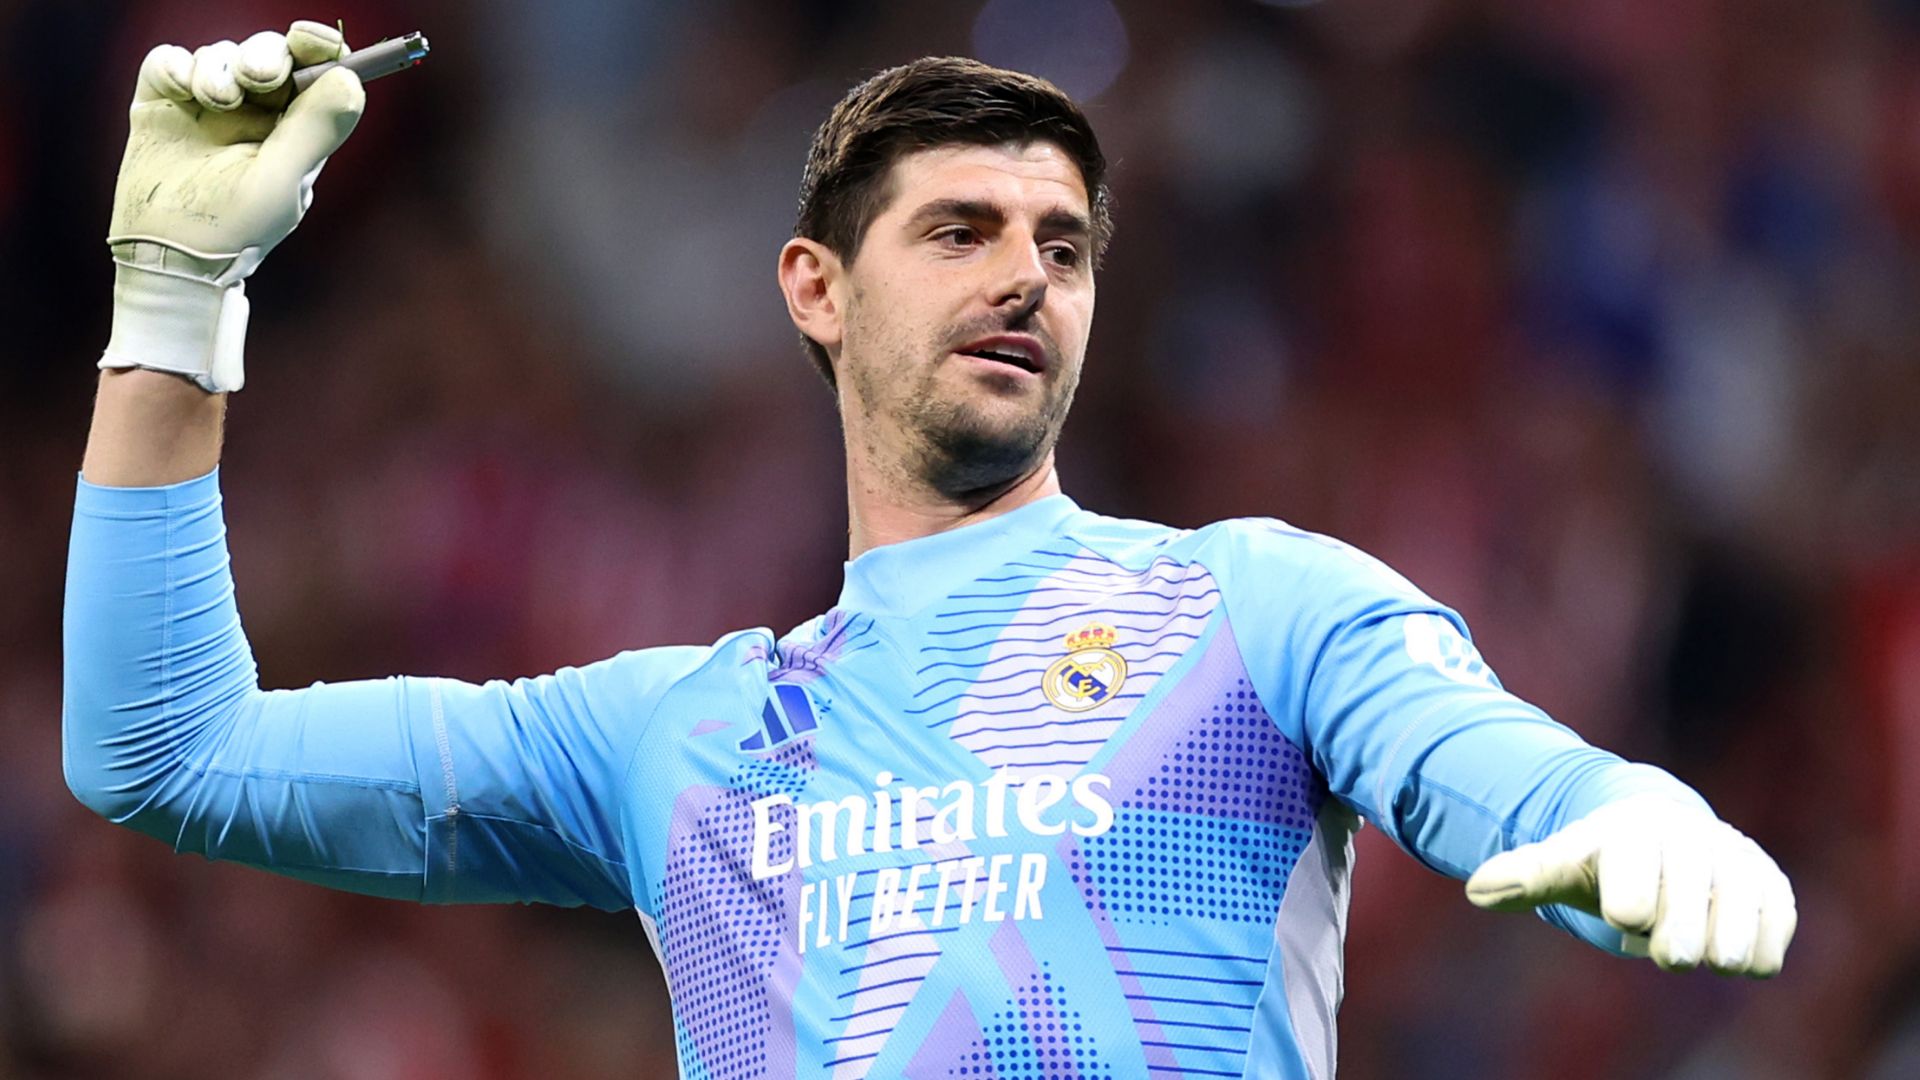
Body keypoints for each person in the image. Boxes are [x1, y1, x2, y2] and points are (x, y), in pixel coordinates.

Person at [65, 21, 1796, 1080]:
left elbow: (1481, 758)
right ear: (815, 290)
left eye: (1063, 246)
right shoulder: (674, 732)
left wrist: (1622, 810)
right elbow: (164, 751)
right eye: (960, 230)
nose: (1024, 277)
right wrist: (175, 298)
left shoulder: (1258, 605)